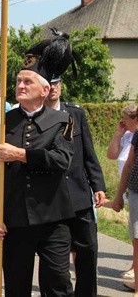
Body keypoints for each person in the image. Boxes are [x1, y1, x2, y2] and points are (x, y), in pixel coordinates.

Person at [0, 36, 76, 296]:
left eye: (27, 81)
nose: (20, 86)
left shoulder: (62, 120)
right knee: (16, 286)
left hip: (53, 219)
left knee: (57, 285)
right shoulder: (1, 123)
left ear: (45, 90)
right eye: (18, 81)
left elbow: (62, 160)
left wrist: (21, 154)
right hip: (14, 219)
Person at [44, 75, 106, 296]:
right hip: (53, 199)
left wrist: (98, 185)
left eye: (56, 84)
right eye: (49, 84)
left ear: (60, 86)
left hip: (79, 195)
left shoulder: (75, 113)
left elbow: (88, 152)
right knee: (58, 264)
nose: (53, 89)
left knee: (88, 252)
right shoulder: (38, 117)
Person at [107, 104, 138, 281]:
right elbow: (111, 155)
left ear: (135, 118)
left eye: (125, 118)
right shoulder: (127, 137)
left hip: (133, 187)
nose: (122, 121)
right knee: (133, 232)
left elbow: (129, 165)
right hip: (128, 188)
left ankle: (135, 269)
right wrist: (118, 133)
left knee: (136, 234)